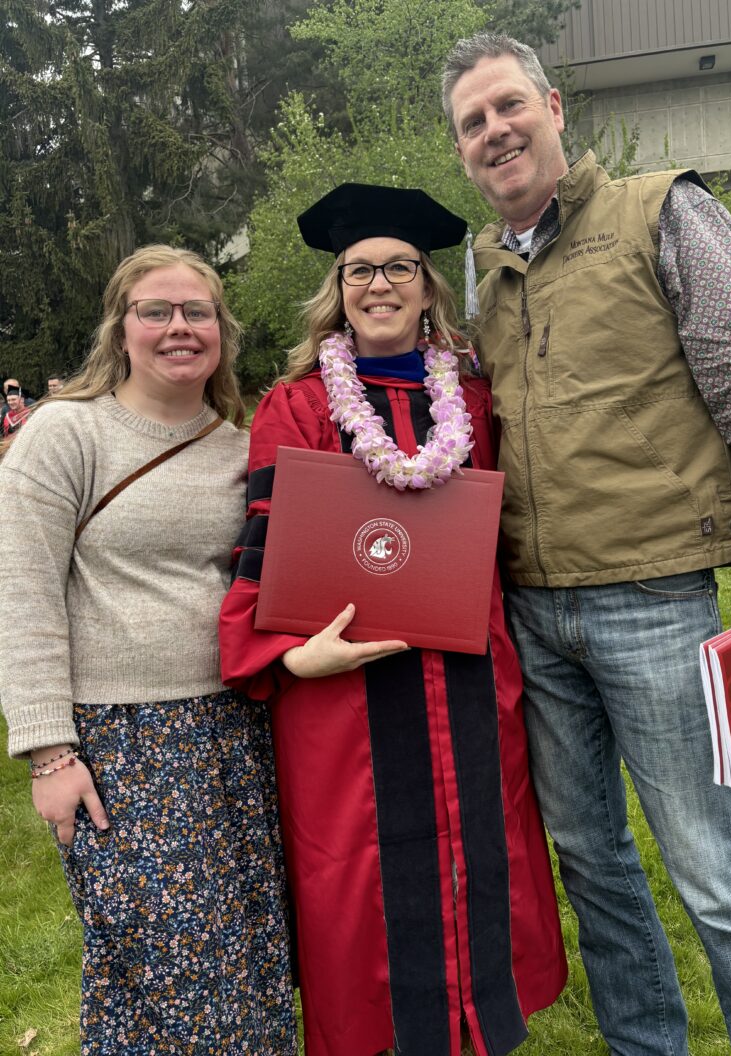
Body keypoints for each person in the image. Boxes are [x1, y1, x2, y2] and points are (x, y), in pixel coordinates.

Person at [441, 31, 731, 1056]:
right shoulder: (483, 262)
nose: (495, 131)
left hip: (657, 600)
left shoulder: (664, 210)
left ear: (553, 106)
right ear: (462, 150)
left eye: (508, 106)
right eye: (473, 123)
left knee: (716, 876)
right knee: (591, 862)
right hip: (533, 612)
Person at [219, 184, 567, 1056]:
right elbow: (264, 560)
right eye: (360, 269)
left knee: (485, 847)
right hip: (346, 698)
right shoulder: (296, 408)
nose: (380, 283)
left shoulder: (474, 403)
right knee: (359, 878)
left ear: (428, 286)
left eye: (400, 267)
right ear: (337, 288)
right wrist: (290, 658)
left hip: (469, 678)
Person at [0, 245, 296, 1055]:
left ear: (222, 332)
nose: (178, 328)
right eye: (155, 311)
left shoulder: (242, 445)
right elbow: (20, 592)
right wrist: (49, 755)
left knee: (250, 958)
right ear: (120, 329)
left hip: (238, 733)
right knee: (163, 967)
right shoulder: (66, 433)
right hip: (123, 746)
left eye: (196, 312)